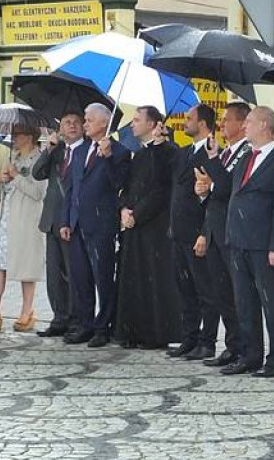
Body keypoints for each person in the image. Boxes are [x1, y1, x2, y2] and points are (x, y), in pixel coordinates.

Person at [221, 106, 274, 377]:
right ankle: (250, 354)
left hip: (264, 244)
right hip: (238, 240)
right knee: (244, 302)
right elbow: (231, 191)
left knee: (271, 302)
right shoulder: (244, 158)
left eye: (250, 122)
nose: (245, 126)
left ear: (265, 124)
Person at [60, 103, 132, 348]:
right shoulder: (80, 151)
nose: (85, 123)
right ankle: (85, 323)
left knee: (103, 277)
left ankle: (104, 326)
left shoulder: (119, 151)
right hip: (78, 223)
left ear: (104, 123)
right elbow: (71, 188)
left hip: (101, 223)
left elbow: (119, 184)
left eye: (89, 119)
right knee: (81, 277)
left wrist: (109, 158)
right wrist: (66, 220)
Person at [116, 106, 180, 349]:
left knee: (154, 279)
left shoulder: (168, 153)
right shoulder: (139, 155)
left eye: (137, 120)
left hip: (155, 227)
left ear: (154, 124)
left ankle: (155, 333)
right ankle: (133, 331)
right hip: (133, 226)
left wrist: (138, 214)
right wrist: (124, 209)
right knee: (133, 278)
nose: (132, 124)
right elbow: (129, 187)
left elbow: (162, 190)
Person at [195, 101, 252, 368]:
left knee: (237, 292)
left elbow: (228, 186)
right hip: (216, 229)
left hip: (235, 231)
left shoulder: (246, 152)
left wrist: (213, 167)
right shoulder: (226, 152)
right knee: (221, 293)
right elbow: (216, 195)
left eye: (227, 119)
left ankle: (244, 347)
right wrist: (204, 191)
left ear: (242, 124)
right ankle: (232, 345)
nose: (222, 125)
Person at [0, 126, 48, 334]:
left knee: (26, 266)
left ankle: (27, 311)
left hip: (27, 219)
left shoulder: (39, 159)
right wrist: (2, 180)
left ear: (29, 137)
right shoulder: (13, 158)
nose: (14, 139)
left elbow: (37, 192)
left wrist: (16, 176)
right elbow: (7, 191)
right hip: (6, 219)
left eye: (17, 135)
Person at [167, 104, 219, 360]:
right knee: (185, 289)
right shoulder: (184, 152)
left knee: (205, 290)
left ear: (203, 123)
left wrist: (204, 232)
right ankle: (189, 337)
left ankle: (207, 341)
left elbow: (214, 198)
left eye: (190, 118)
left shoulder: (212, 154)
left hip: (198, 231)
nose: (185, 122)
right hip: (178, 230)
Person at [31, 111, 86, 338]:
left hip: (73, 220)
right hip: (52, 218)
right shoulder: (58, 151)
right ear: (60, 128)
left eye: (76, 122)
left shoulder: (88, 150)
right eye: (67, 123)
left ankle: (76, 319)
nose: (71, 126)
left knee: (74, 273)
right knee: (54, 274)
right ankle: (59, 317)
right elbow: (37, 173)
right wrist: (49, 149)